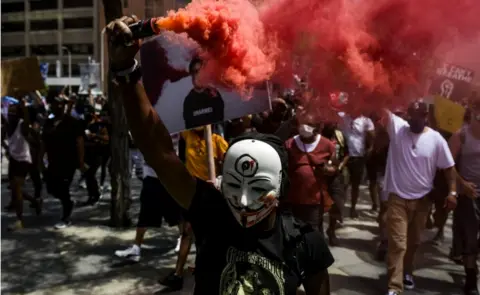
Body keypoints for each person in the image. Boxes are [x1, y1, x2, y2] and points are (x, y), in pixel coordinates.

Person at [106, 15, 334, 295]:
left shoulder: (305, 243)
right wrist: (126, 71)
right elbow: (156, 150)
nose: (242, 199)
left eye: (258, 187)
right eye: (234, 185)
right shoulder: (213, 212)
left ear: (281, 186)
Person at [381, 100, 457, 295]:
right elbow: (380, 106)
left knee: (413, 242)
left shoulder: (436, 139)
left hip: (423, 201)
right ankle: (394, 287)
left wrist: (453, 192)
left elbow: (449, 169)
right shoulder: (397, 128)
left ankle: (407, 271)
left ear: (426, 116)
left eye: (418, 115)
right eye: (411, 115)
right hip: (397, 198)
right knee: (398, 244)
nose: (413, 119)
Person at [449, 96, 480, 295]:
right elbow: (448, 166)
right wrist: (461, 185)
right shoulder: (460, 136)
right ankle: (471, 278)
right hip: (469, 196)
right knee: (470, 239)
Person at [42, 92, 86, 229]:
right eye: (55, 104)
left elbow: (80, 142)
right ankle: (67, 201)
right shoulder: (49, 122)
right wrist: (40, 159)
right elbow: (44, 141)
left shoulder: (72, 122)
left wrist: (81, 161)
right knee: (51, 188)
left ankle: (66, 217)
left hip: (68, 162)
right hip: (52, 161)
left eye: (60, 104)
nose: (57, 106)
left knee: (63, 187)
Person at [182, 57, 225, 129]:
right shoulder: (188, 101)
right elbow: (189, 127)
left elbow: (220, 121)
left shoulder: (214, 95)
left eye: (201, 71)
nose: (199, 75)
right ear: (192, 75)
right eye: (196, 71)